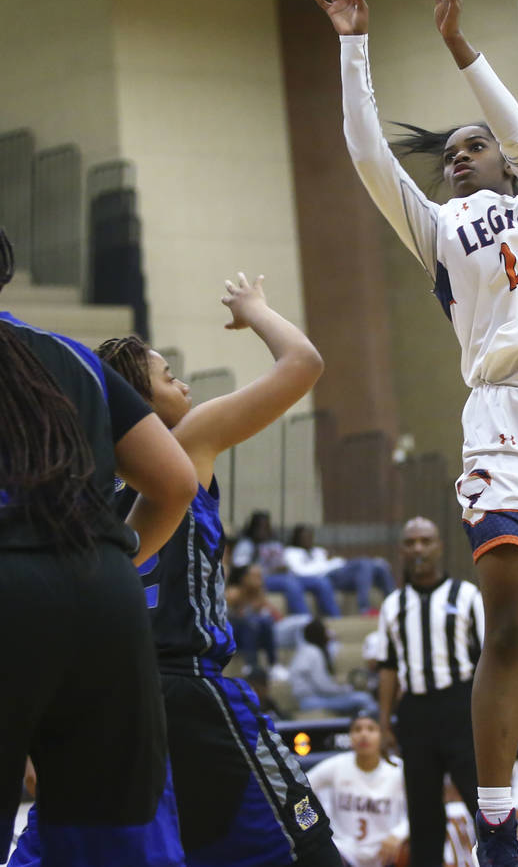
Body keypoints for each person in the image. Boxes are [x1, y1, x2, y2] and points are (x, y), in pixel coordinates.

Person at [312, 0, 518, 867]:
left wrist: (460, 47)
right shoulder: (439, 231)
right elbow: (372, 156)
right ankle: (492, 821)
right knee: (508, 629)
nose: (458, 156)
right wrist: (355, 46)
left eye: (473, 144)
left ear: (504, 156)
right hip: (502, 416)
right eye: (449, 152)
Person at [17, 271, 341, 867]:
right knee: (309, 854)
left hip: (98, 702)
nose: (184, 384)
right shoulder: (188, 439)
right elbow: (304, 362)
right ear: (135, 398)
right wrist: (256, 310)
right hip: (189, 691)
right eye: (169, 376)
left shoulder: (71, 484)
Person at [0, 227, 197, 867]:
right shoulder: (72, 356)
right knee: (110, 845)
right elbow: (174, 483)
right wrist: (117, 564)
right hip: (105, 596)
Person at [375, 517, 482, 867]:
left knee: (483, 804)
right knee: (423, 815)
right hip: (416, 713)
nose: (418, 548)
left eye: (425, 540)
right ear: (402, 551)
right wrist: (385, 722)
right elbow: (388, 667)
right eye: (410, 542)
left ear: (439, 546)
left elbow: (488, 661)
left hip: (461, 707)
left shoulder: (467, 596)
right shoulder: (393, 604)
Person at [306, 708, 409, 867]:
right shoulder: (337, 765)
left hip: (386, 851)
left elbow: (424, 809)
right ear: (350, 737)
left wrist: (399, 834)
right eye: (357, 729)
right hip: (344, 851)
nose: (363, 735)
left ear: (382, 735)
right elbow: (301, 787)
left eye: (371, 729)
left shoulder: (398, 769)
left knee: (409, 849)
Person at [234, 509, 342, 617]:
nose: (264, 531)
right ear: (253, 528)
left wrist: (282, 567)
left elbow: (283, 562)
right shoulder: (246, 545)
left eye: (266, 527)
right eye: (260, 527)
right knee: (291, 583)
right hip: (263, 578)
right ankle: (305, 620)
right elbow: (240, 568)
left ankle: (335, 618)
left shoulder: (274, 543)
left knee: (321, 582)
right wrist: (262, 568)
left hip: (285, 575)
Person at [285, 524, 396, 613]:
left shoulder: (318, 550)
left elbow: (339, 562)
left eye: (311, 536)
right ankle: (364, 607)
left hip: (341, 572)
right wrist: (326, 564)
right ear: (298, 539)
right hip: (328, 577)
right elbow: (300, 572)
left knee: (379, 567)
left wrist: (332, 560)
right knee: (364, 563)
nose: (309, 539)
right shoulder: (291, 552)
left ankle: (395, 606)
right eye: (305, 537)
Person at [290, 618, 377, 715]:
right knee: (364, 698)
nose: (328, 634)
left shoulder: (306, 650)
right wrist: (345, 690)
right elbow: (322, 686)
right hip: (312, 701)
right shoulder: (313, 652)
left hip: (311, 699)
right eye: (325, 631)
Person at [225, 563, 286, 677]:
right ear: (244, 578)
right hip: (234, 636)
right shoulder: (234, 593)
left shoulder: (259, 593)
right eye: (255, 576)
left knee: (266, 622)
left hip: (253, 635)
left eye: (260, 576)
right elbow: (232, 618)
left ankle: (273, 664)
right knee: (250, 623)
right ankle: (251, 665)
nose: (260, 580)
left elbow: (277, 616)